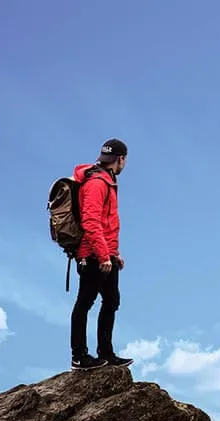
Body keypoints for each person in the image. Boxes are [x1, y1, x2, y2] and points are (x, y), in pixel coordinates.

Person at [69, 138, 134, 370]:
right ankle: (79, 356)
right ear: (121, 159)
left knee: (111, 301)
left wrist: (114, 253)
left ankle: (105, 353)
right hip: (92, 254)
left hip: (105, 253)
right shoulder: (96, 183)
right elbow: (90, 221)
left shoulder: (108, 180)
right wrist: (103, 255)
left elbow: (107, 223)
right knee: (85, 303)